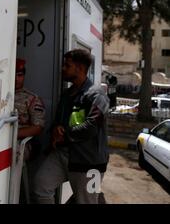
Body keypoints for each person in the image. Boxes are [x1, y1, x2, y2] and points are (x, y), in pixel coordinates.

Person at [33, 49, 110, 204]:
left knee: (86, 201)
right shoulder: (67, 94)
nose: (62, 68)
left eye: (67, 65)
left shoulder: (97, 95)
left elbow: (91, 127)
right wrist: (55, 129)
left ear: (80, 69)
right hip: (62, 155)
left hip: (88, 163)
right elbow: (58, 121)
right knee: (41, 186)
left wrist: (64, 134)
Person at [14, 59, 45, 161]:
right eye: (14, 75)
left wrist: (14, 134)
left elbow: (38, 127)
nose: (16, 79)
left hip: (21, 142)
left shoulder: (32, 99)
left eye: (19, 75)